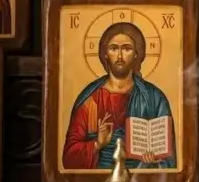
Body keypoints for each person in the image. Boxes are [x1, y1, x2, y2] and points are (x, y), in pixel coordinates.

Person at [62, 21, 177, 170]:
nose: (120, 56)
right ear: (105, 53)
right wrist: (97, 144)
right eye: (114, 48)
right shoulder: (90, 100)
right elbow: (69, 158)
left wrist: (155, 159)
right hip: (98, 180)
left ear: (136, 54)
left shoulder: (154, 98)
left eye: (127, 48)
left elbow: (169, 160)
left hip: (140, 181)